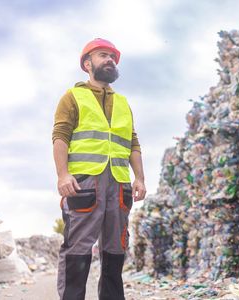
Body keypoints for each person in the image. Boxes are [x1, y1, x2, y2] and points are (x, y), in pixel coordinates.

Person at [52, 38, 146, 300]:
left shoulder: (123, 103)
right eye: (103, 55)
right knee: (78, 249)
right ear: (87, 64)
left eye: (113, 57)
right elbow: (60, 135)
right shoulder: (73, 97)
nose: (110, 60)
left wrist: (139, 178)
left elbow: (133, 143)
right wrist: (63, 175)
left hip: (119, 185)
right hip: (84, 183)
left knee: (116, 250)